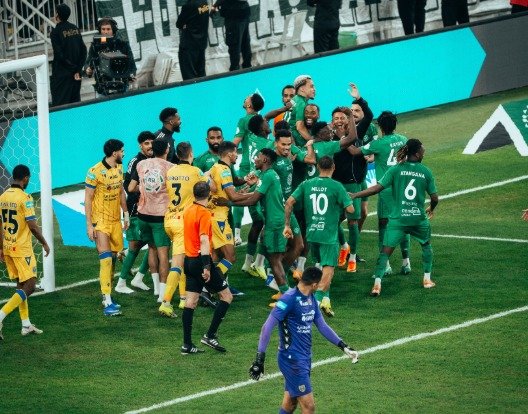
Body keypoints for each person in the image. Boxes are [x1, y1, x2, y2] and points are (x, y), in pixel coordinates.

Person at [249, 266, 358, 413]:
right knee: (309, 407)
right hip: (292, 360)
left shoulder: (311, 298)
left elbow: (322, 326)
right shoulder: (288, 299)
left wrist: (343, 346)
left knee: (290, 404)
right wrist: (259, 359)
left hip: (305, 358)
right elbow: (266, 327)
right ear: (314, 284)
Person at [350, 139, 438, 296]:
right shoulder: (426, 172)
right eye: (423, 150)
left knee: (385, 251)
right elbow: (435, 198)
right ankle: (427, 279)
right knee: (426, 245)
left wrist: (356, 195)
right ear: (417, 153)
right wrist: (431, 207)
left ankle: (377, 284)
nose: (424, 153)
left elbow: (376, 188)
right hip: (418, 219)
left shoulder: (395, 169)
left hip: (398, 219)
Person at [285, 156, 355, 317]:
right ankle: (314, 305)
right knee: (328, 268)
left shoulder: (306, 184)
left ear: (317, 167)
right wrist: (345, 200)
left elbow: (288, 202)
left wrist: (287, 225)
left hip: (312, 234)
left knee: (322, 266)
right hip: (328, 236)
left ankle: (326, 300)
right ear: (333, 167)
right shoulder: (337, 186)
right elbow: (351, 210)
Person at [347, 111, 411, 276]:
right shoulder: (403, 140)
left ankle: (386, 264)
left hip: (386, 190)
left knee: (384, 224)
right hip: (403, 188)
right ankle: (406, 262)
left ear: (380, 127)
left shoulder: (378, 143)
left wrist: (342, 138)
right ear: (395, 125)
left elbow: (354, 151)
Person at [181, 181, 233, 354]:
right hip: (200, 261)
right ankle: (210, 335)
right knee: (226, 296)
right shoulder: (204, 213)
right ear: (209, 194)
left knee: (190, 302)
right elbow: (203, 240)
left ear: (194, 194)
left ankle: (187, 344)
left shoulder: (188, 210)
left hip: (188, 261)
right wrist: (206, 266)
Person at [0, 165, 50, 339]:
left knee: (21, 285)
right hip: (22, 249)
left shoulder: (3, 197)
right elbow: (32, 226)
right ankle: (1, 315)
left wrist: (1, 247)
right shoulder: (25, 198)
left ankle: (26, 324)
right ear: (26, 178)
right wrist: (44, 243)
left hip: (8, 247)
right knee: (30, 285)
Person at [160, 142, 209, 317]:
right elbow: (208, 186)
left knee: (184, 259)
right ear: (191, 154)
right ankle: (165, 303)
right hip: (183, 223)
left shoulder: (170, 171)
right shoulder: (196, 171)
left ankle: (182, 298)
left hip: (169, 219)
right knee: (177, 264)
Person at [332, 84, 375, 272]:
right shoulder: (328, 136)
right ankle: (344, 246)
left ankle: (352, 258)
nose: (339, 120)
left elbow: (370, 116)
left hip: (353, 185)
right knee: (333, 221)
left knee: (352, 222)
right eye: (336, 118)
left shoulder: (357, 133)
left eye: (343, 117)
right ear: (332, 121)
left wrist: (359, 99)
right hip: (335, 184)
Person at [85, 139, 129, 316]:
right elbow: (88, 198)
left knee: (113, 258)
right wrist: (89, 225)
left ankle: (108, 295)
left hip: (115, 221)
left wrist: (126, 213)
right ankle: (107, 301)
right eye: (122, 151)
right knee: (106, 259)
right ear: (114, 153)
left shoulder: (119, 168)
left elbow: (121, 191)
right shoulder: (94, 172)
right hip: (100, 221)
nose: (123, 153)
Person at [128, 140, 173, 305]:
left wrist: (144, 188)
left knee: (152, 248)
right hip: (160, 217)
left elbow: (131, 188)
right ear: (167, 149)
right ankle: (162, 294)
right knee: (163, 255)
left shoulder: (141, 164)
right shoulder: (170, 167)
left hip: (143, 215)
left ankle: (156, 288)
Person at [116, 131, 157, 295]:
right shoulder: (136, 161)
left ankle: (138, 277)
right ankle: (121, 283)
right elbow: (128, 187)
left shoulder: (154, 160)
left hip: (150, 208)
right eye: (147, 143)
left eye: (152, 143)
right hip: (135, 209)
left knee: (154, 242)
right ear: (140, 146)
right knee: (135, 245)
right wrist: (146, 191)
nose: (150, 146)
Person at [232, 93, 265, 248]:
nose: (244, 99)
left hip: (247, 166)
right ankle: (262, 228)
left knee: (239, 197)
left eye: (247, 98)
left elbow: (236, 141)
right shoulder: (261, 120)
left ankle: (237, 234)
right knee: (258, 198)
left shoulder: (244, 120)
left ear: (249, 105)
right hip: (260, 165)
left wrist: (226, 154)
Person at [84, 17, 137, 96]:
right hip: (102, 88)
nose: (105, 32)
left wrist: (132, 75)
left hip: (121, 87)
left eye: (108, 29)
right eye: (103, 29)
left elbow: (132, 64)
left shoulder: (122, 44)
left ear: (113, 30)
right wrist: (88, 69)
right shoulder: (95, 45)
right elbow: (88, 62)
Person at [49, 3, 87, 107]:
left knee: (60, 106)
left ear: (57, 15)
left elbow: (59, 55)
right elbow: (84, 51)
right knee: (75, 104)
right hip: (76, 74)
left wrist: (73, 68)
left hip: (62, 75)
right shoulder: (75, 28)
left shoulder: (55, 32)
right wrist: (78, 69)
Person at [212, 0, 252, 71]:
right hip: (243, 12)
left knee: (235, 45)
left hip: (234, 15)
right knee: (245, 43)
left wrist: (215, 5)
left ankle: (235, 71)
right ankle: (247, 68)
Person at [176, 0, 210, 80]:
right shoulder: (204, 2)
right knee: (201, 73)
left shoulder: (188, 6)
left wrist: (186, 25)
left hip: (189, 45)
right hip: (201, 42)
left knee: (189, 76)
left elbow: (179, 24)